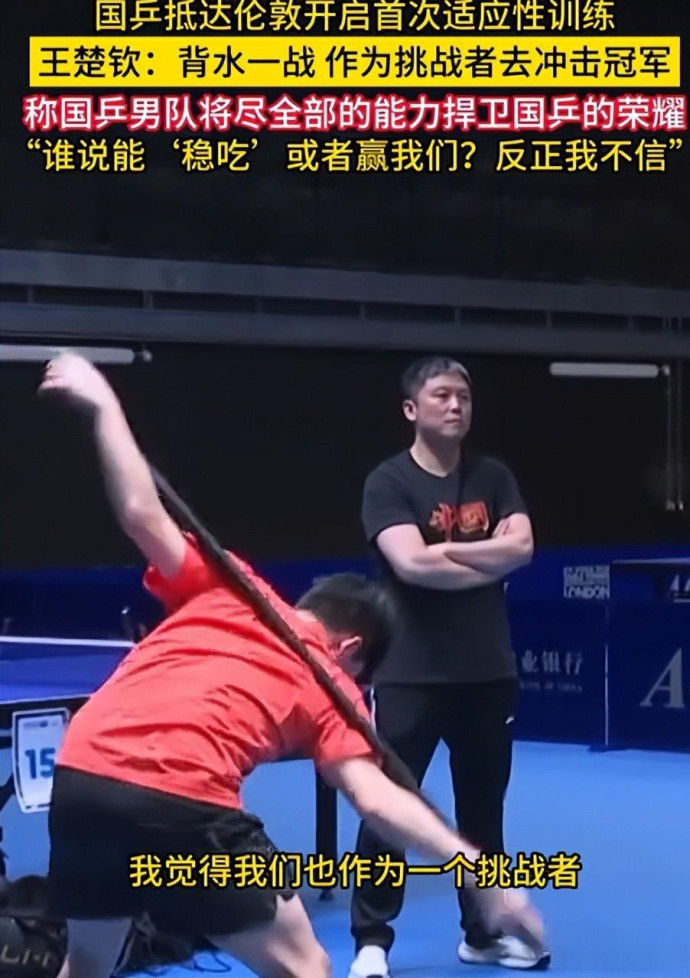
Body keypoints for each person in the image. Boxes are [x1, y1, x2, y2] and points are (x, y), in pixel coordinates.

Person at [38, 354, 545, 978]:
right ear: (351, 648)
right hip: (183, 795)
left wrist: (102, 401)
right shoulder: (331, 683)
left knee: (88, 963)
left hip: (80, 776)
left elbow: (141, 512)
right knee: (307, 967)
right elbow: (377, 800)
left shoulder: (234, 588)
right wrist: (478, 875)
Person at [349, 356, 548, 977]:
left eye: (464, 395)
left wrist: (449, 555)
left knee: (483, 813)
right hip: (409, 672)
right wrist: (489, 556)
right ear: (412, 409)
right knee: (390, 808)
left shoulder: (494, 476)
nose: (456, 405)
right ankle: (372, 943)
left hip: (487, 672)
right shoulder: (388, 482)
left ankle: (482, 934)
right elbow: (410, 564)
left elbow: (524, 548)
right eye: (442, 395)